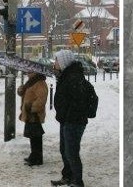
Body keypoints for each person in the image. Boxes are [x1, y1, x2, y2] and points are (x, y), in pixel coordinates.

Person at [50, 50, 91, 187]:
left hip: (74, 122)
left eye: (56, 60)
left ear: (63, 62)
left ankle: (77, 182)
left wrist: (68, 116)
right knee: (65, 150)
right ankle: (67, 177)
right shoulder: (66, 75)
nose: (54, 63)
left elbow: (78, 101)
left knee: (71, 152)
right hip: (67, 121)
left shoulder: (73, 77)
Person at [17, 71, 48, 166]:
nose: (27, 74)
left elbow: (41, 99)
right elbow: (23, 94)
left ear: (35, 73)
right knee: (32, 135)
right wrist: (21, 90)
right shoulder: (30, 82)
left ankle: (37, 158)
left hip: (35, 114)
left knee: (36, 136)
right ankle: (34, 155)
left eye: (30, 72)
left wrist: (32, 108)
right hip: (29, 113)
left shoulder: (40, 83)